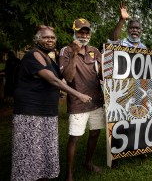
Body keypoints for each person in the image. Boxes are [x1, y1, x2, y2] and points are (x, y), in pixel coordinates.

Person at [11, 25, 92, 181]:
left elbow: (65, 76)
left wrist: (74, 53)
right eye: (45, 37)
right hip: (30, 113)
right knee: (30, 153)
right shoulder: (32, 55)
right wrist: (78, 94)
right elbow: (54, 80)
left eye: (52, 37)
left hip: (47, 112)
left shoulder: (49, 57)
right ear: (37, 39)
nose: (50, 40)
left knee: (44, 152)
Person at [59, 18, 105, 181]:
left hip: (96, 101)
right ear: (74, 32)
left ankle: (88, 162)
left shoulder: (94, 51)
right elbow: (68, 77)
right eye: (80, 32)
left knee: (95, 133)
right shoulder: (66, 50)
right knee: (75, 137)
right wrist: (74, 54)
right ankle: (69, 174)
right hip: (78, 102)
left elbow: (102, 74)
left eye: (86, 32)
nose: (84, 35)